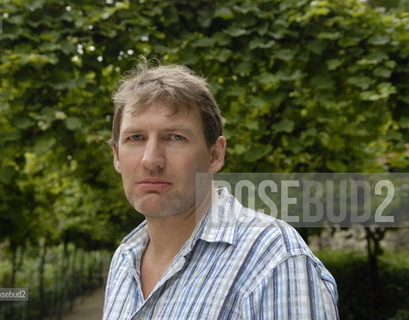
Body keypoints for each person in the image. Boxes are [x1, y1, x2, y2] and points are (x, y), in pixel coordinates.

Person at [103, 59, 339, 319]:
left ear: (215, 154)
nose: (151, 160)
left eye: (175, 138)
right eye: (135, 138)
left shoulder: (273, 259)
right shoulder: (124, 260)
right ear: (116, 155)